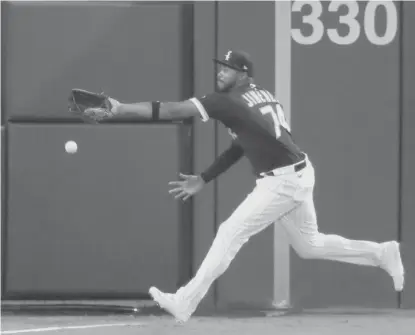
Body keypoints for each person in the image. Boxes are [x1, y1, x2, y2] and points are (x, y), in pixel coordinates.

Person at [84, 50, 404, 323]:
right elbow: (241, 147)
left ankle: (186, 300)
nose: (221, 72)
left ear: (243, 74)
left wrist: (121, 108)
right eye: (220, 67)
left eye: (228, 69)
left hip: (283, 182)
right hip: (298, 173)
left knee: (229, 232)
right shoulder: (262, 95)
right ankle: (381, 252)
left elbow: (171, 110)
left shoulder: (228, 102)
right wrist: (205, 177)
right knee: (309, 246)